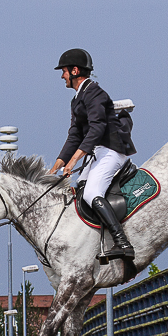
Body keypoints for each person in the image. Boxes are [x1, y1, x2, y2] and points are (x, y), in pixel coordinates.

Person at [48, 49, 136, 259]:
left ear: (75, 70)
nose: (62, 76)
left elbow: (96, 129)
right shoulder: (77, 100)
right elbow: (74, 135)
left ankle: (122, 242)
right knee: (79, 192)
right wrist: (56, 167)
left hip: (111, 150)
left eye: (64, 71)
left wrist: (74, 161)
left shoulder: (94, 93)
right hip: (96, 152)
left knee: (91, 193)